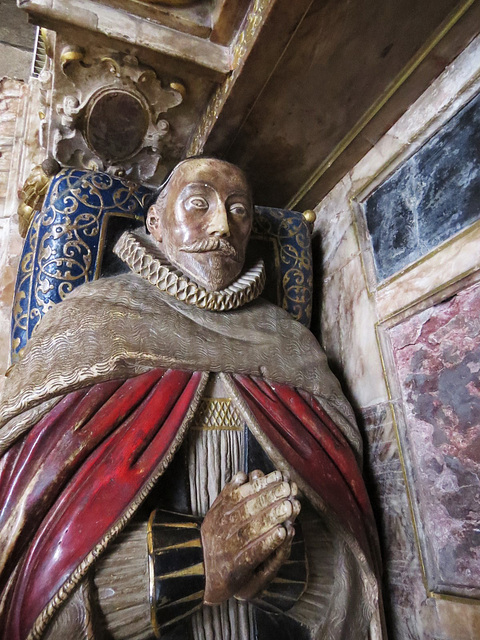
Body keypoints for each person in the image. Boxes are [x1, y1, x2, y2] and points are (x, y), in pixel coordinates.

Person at [0, 158, 383, 640]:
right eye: (199, 204)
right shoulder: (91, 325)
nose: (223, 225)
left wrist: (279, 563)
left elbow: (353, 565)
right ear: (155, 225)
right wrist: (194, 563)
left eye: (239, 210)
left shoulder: (292, 347)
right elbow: (28, 575)